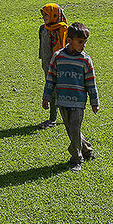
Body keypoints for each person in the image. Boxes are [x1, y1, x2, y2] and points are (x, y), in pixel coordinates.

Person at [42, 22, 99, 172]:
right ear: (69, 40)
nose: (83, 45)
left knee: (74, 128)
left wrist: (94, 102)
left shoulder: (85, 60)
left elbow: (91, 83)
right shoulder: (58, 57)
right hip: (62, 101)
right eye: (80, 42)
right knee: (72, 130)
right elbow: (51, 78)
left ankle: (76, 158)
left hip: (79, 102)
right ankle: (87, 149)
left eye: (85, 42)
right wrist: (46, 96)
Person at [39, 3, 69, 128]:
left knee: (58, 91)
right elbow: (41, 47)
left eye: (47, 14)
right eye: (43, 14)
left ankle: (53, 119)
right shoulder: (43, 28)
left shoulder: (64, 30)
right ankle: (57, 117)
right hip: (47, 64)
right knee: (51, 90)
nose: (44, 17)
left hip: (61, 65)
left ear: (54, 14)